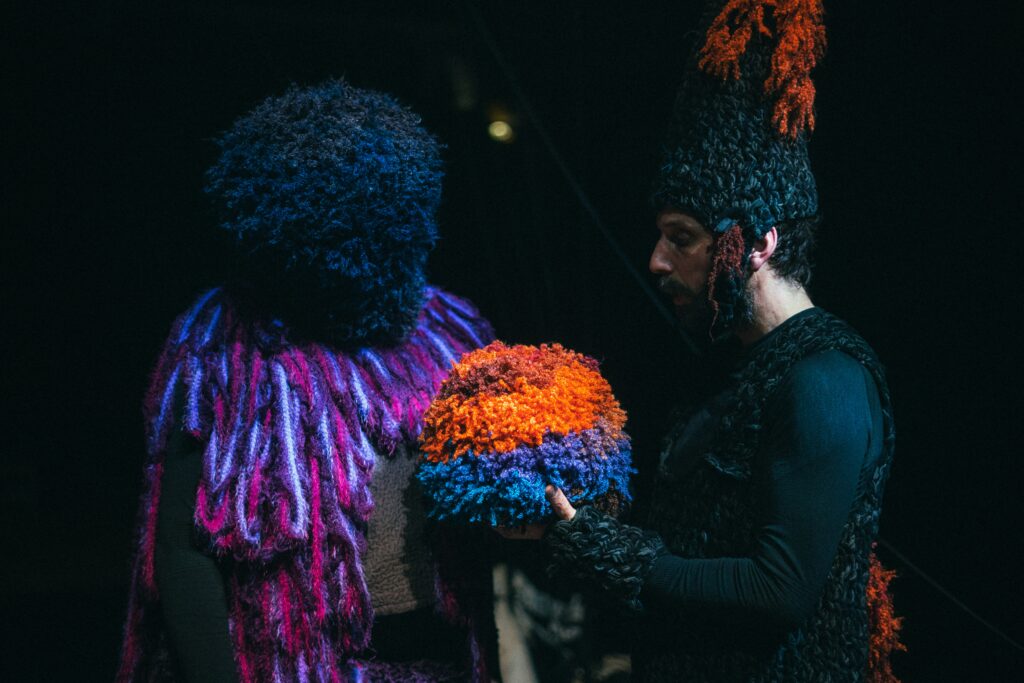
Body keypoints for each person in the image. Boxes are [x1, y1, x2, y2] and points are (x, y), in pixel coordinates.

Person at [535, 1, 903, 680]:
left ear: (757, 243)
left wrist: (617, 554)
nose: (656, 261)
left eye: (682, 237)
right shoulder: (728, 364)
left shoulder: (825, 378)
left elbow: (778, 590)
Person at [115, 79, 499, 682]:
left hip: (442, 659)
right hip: (292, 666)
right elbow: (182, 549)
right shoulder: (221, 347)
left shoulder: (449, 333)